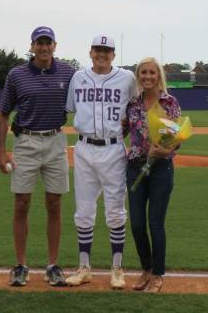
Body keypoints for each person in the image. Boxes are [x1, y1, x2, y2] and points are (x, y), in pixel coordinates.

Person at [0, 26, 75, 287]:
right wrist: (1, 152)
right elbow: (4, 114)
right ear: (31, 46)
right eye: (38, 43)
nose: (43, 47)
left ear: (55, 45)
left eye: (48, 42)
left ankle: (52, 265)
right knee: (22, 204)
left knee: (54, 205)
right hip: (26, 142)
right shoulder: (16, 74)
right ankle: (21, 265)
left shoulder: (68, 72)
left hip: (55, 141)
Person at [65, 35, 136, 289]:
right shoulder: (78, 78)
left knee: (116, 210)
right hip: (84, 148)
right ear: (90, 52)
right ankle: (84, 267)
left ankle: (117, 268)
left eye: (107, 50)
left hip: (113, 148)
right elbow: (71, 107)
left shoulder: (127, 78)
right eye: (98, 49)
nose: (102, 54)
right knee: (83, 211)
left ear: (114, 55)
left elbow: (137, 108)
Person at [124, 58, 180, 293]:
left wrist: (166, 149)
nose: (147, 76)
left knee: (155, 224)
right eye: (143, 73)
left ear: (158, 76)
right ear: (138, 76)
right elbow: (123, 130)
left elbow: (175, 137)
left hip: (160, 169)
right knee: (137, 224)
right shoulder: (133, 103)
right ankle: (146, 269)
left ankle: (157, 274)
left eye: (151, 73)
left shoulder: (169, 102)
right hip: (135, 168)